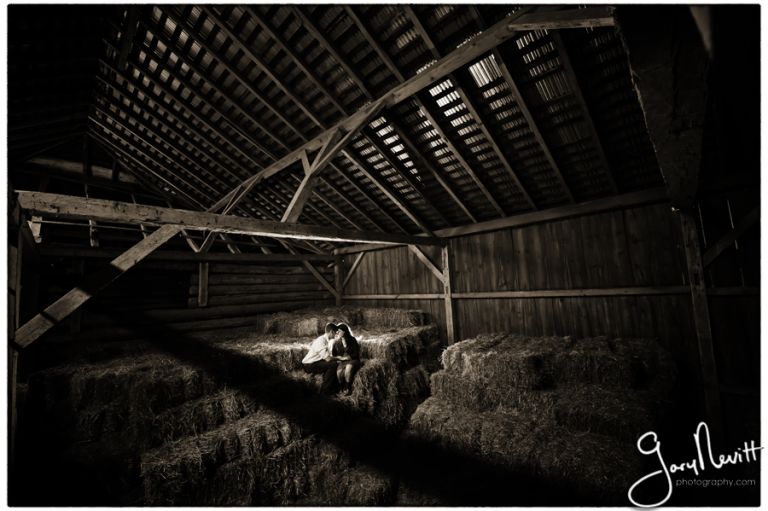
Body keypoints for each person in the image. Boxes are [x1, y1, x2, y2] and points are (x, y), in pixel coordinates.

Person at [302, 322, 342, 395]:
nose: (336, 335)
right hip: (309, 365)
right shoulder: (321, 341)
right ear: (331, 332)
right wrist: (340, 358)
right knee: (333, 365)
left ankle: (334, 388)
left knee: (334, 364)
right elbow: (328, 359)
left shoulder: (328, 341)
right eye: (335, 333)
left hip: (317, 362)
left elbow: (328, 357)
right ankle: (325, 390)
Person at [333, 323, 361, 395]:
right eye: (337, 331)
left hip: (353, 359)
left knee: (348, 369)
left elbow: (356, 353)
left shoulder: (352, 340)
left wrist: (348, 357)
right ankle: (341, 387)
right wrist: (334, 343)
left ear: (344, 332)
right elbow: (334, 354)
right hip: (343, 361)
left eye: (339, 331)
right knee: (339, 372)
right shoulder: (337, 342)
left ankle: (347, 388)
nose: (337, 332)